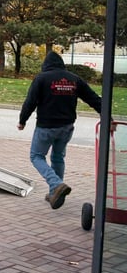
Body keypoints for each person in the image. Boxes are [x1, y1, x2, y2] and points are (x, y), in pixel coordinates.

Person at [17, 51, 102, 210]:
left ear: (45, 65)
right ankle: (54, 194)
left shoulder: (41, 79)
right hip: (66, 127)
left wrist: (22, 121)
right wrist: (107, 115)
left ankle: (56, 184)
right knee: (58, 157)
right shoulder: (74, 79)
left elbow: (30, 102)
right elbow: (93, 98)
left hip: (46, 127)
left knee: (36, 156)